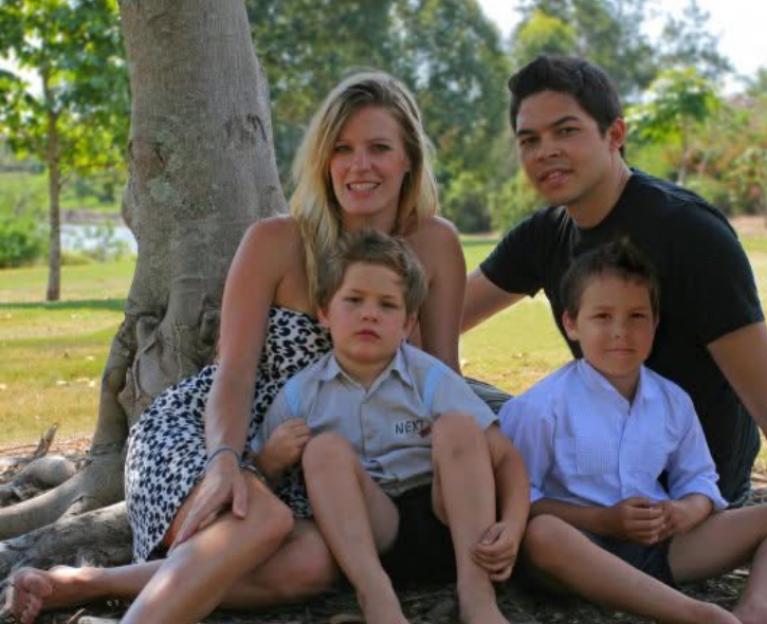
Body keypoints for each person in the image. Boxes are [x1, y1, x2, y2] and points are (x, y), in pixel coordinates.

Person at [6, 71, 470, 624]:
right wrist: (227, 460)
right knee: (260, 521)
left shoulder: (436, 244)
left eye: (378, 148)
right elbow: (233, 373)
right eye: (341, 149)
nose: (359, 165)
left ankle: (85, 584)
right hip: (211, 429)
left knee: (315, 563)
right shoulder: (275, 240)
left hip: (313, 460)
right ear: (323, 160)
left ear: (409, 160)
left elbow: (443, 371)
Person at [462, 54, 767, 614]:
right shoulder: (544, 236)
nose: (545, 151)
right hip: (589, 488)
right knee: (473, 413)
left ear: (615, 135)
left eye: (566, 131)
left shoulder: (687, 232)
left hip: (688, 489)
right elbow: (446, 317)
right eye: (529, 139)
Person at [501, 239, 767, 624]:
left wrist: (683, 510)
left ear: (655, 322)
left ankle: (757, 605)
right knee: (543, 534)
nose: (621, 332)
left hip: (656, 548)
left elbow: (699, 478)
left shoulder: (672, 400)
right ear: (571, 323)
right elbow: (517, 502)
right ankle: (695, 615)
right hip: (577, 550)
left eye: (636, 317)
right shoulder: (540, 407)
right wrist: (602, 520)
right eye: (602, 317)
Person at [252, 229, 528, 624]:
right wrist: (271, 460)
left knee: (458, 427)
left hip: (450, 524)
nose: (369, 314)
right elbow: (262, 483)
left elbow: (507, 458)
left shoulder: (429, 377)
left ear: (407, 322)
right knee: (323, 450)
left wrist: (513, 527)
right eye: (354, 301)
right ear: (325, 313)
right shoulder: (301, 395)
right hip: (371, 532)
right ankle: (377, 599)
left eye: (387, 305)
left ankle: (477, 596)